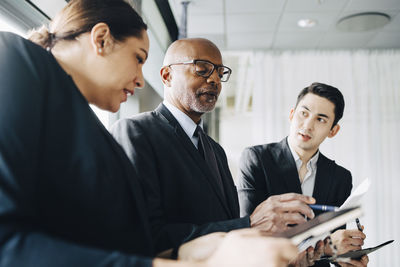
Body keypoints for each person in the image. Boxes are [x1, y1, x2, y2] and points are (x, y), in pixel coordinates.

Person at [0, 0, 298, 266]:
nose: (141, 80)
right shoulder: (14, 59)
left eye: (220, 73)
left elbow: (114, 241)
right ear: (101, 39)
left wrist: (185, 253)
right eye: (139, 58)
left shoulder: (87, 127)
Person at [111, 37, 316, 255]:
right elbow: (143, 235)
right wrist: (248, 224)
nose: (214, 80)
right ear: (167, 75)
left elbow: (225, 225)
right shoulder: (136, 132)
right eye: (202, 69)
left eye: (220, 72)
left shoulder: (215, 150)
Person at [238, 82, 369, 267]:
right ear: (292, 114)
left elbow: (336, 242)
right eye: (304, 113)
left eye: (320, 119)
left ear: (333, 130)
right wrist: (328, 247)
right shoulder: (257, 159)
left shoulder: (340, 177)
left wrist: (346, 257)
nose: (307, 125)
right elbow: (248, 232)